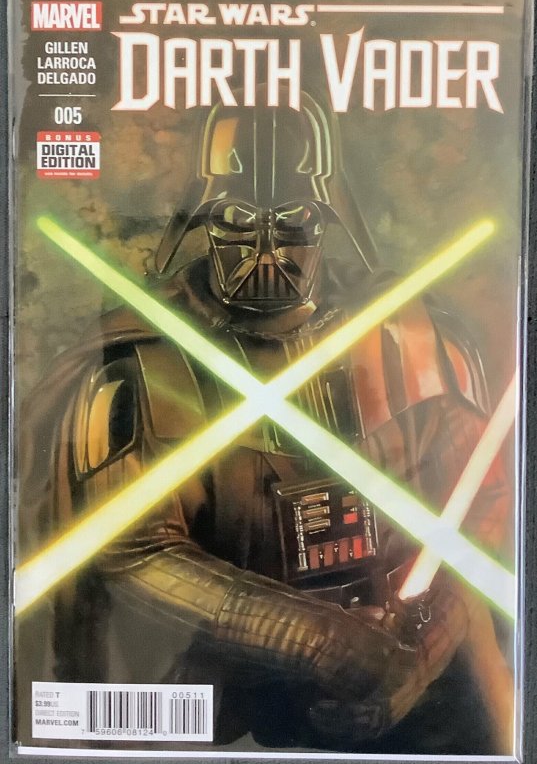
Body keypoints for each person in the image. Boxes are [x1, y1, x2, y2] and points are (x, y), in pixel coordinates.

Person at [19, 89, 513, 753]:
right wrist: (319, 641)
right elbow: (132, 548)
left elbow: (480, 496)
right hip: (215, 709)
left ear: (328, 214)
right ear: (201, 217)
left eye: (292, 221)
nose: (264, 246)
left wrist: (417, 657)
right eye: (235, 218)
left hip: (396, 700)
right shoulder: (135, 363)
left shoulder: (415, 336)